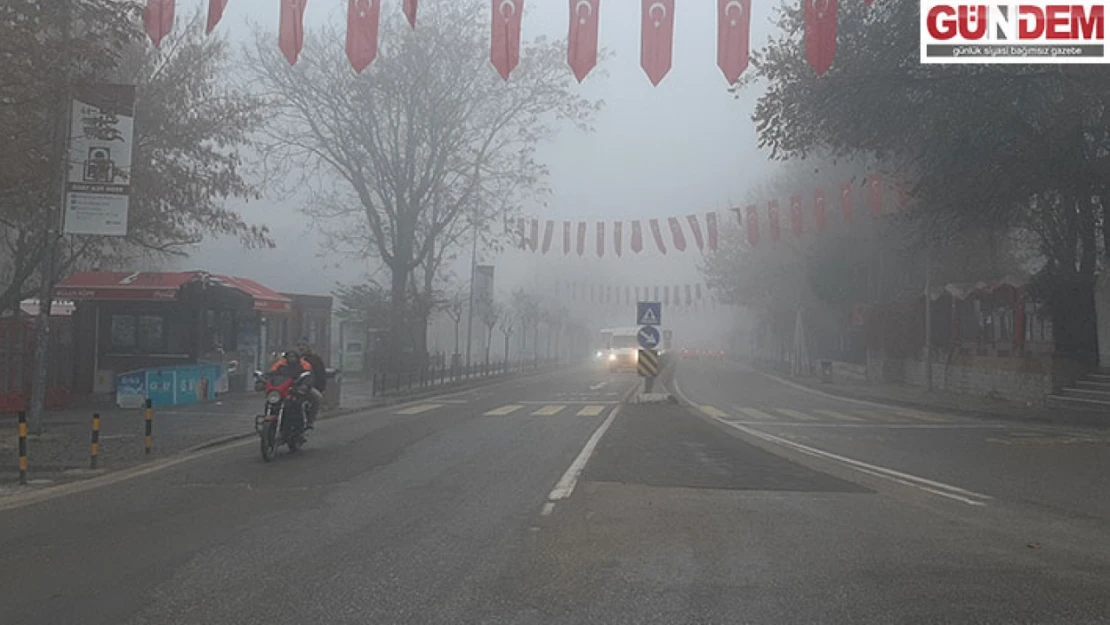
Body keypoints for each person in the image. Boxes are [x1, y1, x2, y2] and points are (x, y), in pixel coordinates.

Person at [270, 350, 319, 428]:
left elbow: (309, 376)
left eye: (293, 356)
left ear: (297, 357)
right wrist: (263, 382)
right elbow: (271, 375)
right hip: (282, 389)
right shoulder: (279, 364)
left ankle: (310, 420)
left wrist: (305, 386)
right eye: (289, 356)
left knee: (317, 397)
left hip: (298, 388)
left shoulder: (304, 365)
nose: (291, 358)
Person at [296, 338, 327, 427]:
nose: (301, 348)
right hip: (291, 386)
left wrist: (320, 389)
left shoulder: (315, 359)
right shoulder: (292, 358)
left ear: (308, 347)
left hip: (308, 386)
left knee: (315, 398)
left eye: (303, 345)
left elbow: (320, 375)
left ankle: (309, 420)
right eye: (299, 345)